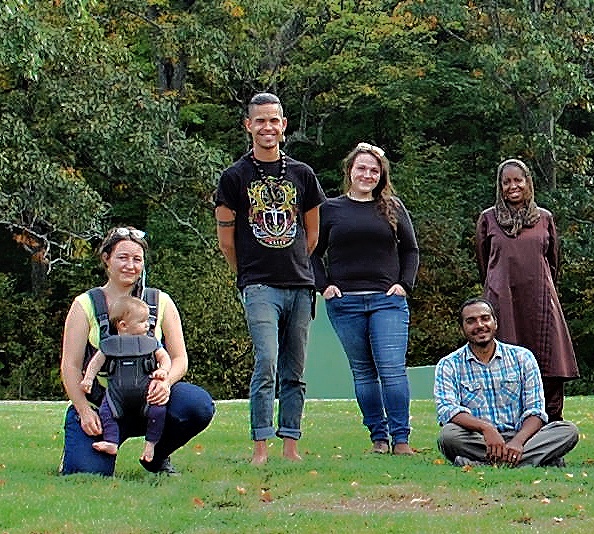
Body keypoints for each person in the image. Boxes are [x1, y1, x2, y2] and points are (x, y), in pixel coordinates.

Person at [214, 91, 325, 465]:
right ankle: (260, 446)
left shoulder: (303, 174)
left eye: (273, 120)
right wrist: (245, 275)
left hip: (299, 284)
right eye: (259, 120)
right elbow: (226, 241)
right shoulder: (234, 177)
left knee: (295, 370)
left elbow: (312, 234)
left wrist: (294, 264)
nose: (267, 127)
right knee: (266, 363)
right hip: (259, 284)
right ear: (248, 125)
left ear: (284, 125)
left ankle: (290, 445)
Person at [60, 227, 215, 476]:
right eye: (122, 257)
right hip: (104, 407)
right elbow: (70, 366)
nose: (130, 265)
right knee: (85, 473)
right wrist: (83, 409)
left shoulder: (160, 301)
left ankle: (156, 456)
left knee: (197, 405)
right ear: (106, 259)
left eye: (137, 259)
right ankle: (79, 450)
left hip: (150, 403)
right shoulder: (84, 304)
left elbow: (179, 358)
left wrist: (166, 382)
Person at [313, 142, 419, 455]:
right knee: (363, 373)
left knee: (391, 369)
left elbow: (410, 250)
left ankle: (401, 440)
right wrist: (325, 286)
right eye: (361, 168)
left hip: (387, 301)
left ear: (381, 175)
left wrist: (404, 284)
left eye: (374, 170)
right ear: (349, 171)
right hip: (345, 304)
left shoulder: (393, 207)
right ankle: (378, 439)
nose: (367, 174)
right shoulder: (329, 210)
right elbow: (312, 254)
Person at [477, 159, 578, 423]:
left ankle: (552, 430)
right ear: (500, 186)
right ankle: (507, 429)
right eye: (506, 181)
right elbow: (484, 261)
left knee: (551, 366)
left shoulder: (544, 219)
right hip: (503, 303)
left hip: (540, 302)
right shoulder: (488, 219)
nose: (513, 186)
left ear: (528, 182)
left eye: (518, 180)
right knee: (505, 366)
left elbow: (553, 261)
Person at [434, 299, 580, 468]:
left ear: (495, 323)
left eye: (485, 318)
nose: (480, 325)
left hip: (523, 437)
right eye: (471, 321)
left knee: (567, 431)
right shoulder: (449, 364)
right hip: (478, 439)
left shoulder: (522, 357)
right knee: (448, 436)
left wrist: (518, 442)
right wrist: (486, 429)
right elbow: (448, 410)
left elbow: (536, 410)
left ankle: (484, 464)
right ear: (462, 329)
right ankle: (536, 460)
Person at [78, 295, 173, 463]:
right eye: (142, 321)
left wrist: (163, 372)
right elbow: (96, 362)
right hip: (116, 394)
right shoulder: (110, 344)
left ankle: (151, 444)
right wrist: (88, 379)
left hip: (146, 394)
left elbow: (165, 358)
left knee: (158, 411)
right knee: (106, 412)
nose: (148, 325)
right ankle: (111, 441)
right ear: (122, 325)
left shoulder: (150, 342)